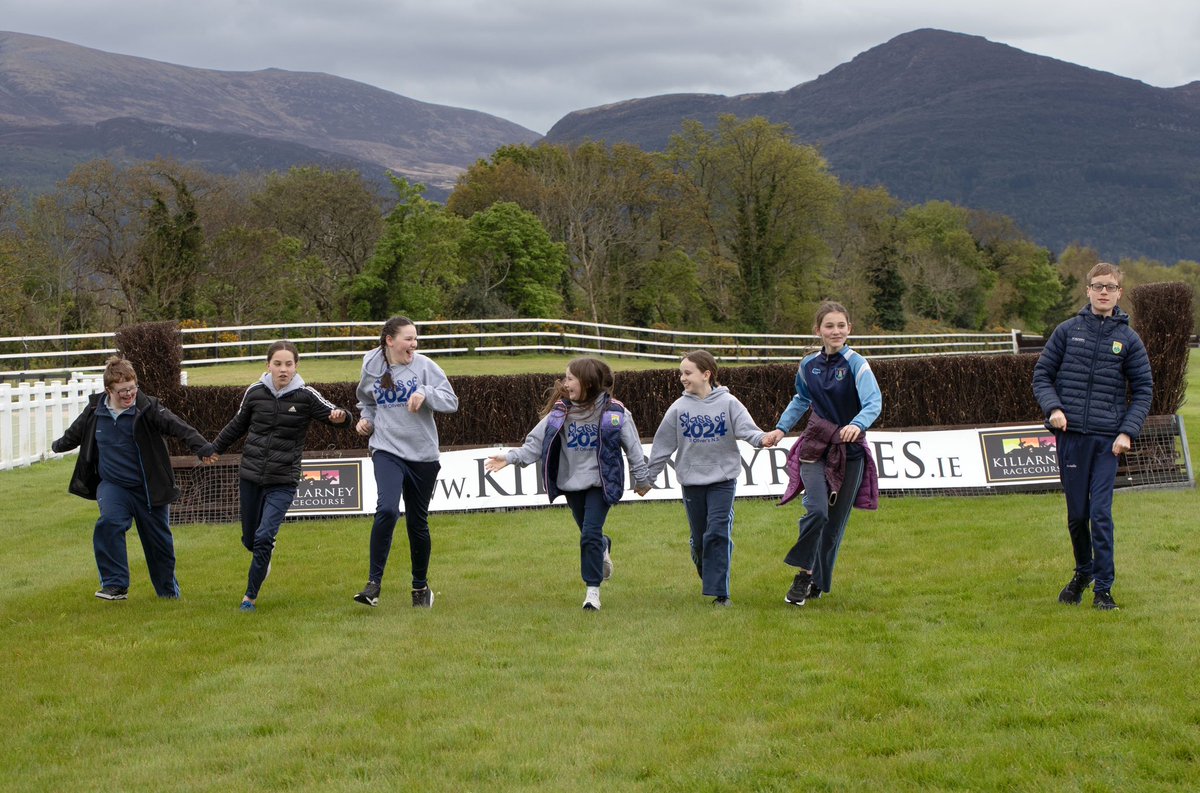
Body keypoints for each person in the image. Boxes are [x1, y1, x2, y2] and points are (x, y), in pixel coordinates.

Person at [485, 357, 652, 611]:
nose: (565, 383)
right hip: (571, 485)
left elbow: (634, 449)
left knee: (588, 534)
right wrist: (508, 457)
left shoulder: (615, 412)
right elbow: (534, 446)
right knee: (591, 536)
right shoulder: (560, 412)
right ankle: (603, 545)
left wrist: (642, 479)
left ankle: (592, 592)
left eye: (570, 378)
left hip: (601, 484)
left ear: (587, 382)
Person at [1032, 262, 1153, 611]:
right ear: (1087, 290)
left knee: (1100, 514)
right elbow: (1042, 374)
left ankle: (1104, 589)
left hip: (1107, 442)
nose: (1103, 291)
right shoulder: (1067, 331)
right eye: (1097, 285)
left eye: (1110, 286)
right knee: (1077, 515)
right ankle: (1082, 573)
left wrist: (1127, 431)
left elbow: (1143, 390)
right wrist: (1053, 409)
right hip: (1071, 439)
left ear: (1119, 293)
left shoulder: (1128, 340)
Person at [51, 355, 213, 600]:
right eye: (122, 391)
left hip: (148, 488)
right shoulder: (96, 410)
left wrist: (202, 447)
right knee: (109, 523)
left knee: (159, 546)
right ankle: (115, 585)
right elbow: (76, 432)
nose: (129, 395)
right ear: (108, 390)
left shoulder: (148, 408)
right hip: (113, 486)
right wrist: (58, 446)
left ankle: (168, 594)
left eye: (132, 388)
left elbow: (178, 426)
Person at [207, 341, 351, 612]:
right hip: (250, 476)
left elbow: (338, 417)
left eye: (288, 364)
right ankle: (264, 553)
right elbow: (237, 424)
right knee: (250, 540)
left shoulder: (306, 396)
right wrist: (214, 449)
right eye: (277, 364)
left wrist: (341, 417)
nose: (283, 369)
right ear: (268, 365)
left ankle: (249, 597)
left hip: (283, 480)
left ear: (296, 366)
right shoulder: (255, 392)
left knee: (263, 537)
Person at [762, 301, 882, 606]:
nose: (836, 331)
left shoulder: (857, 364)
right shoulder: (808, 365)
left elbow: (873, 403)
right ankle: (803, 576)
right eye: (829, 326)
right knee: (816, 510)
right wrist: (780, 428)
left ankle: (814, 579)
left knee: (833, 526)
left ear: (849, 329)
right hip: (815, 448)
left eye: (841, 326)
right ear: (818, 331)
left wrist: (857, 425)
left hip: (850, 452)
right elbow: (801, 399)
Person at [644, 350, 773, 606]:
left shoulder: (729, 403)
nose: (682, 378)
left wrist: (762, 439)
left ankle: (721, 594)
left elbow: (749, 430)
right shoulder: (678, 409)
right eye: (681, 373)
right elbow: (662, 446)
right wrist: (647, 479)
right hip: (692, 482)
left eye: (687, 372)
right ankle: (702, 556)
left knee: (717, 532)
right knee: (702, 538)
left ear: (706, 374)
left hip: (723, 481)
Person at [353, 317, 459, 609]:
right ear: (390, 340)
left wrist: (425, 393)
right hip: (386, 449)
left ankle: (420, 587)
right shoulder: (371, 366)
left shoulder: (425, 366)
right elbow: (367, 402)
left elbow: (452, 401)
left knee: (417, 522)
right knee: (386, 508)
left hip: (423, 455)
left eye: (415, 339)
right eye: (408, 339)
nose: (414, 344)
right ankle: (373, 585)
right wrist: (366, 420)